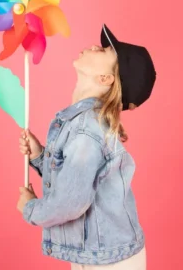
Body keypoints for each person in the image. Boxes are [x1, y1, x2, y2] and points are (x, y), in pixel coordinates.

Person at [17, 24, 156, 269]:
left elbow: (71, 202)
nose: (94, 46)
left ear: (105, 79)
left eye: (102, 51)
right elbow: (75, 175)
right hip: (100, 251)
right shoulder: (83, 122)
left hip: (109, 260)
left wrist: (31, 208)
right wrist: (40, 155)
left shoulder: (85, 129)